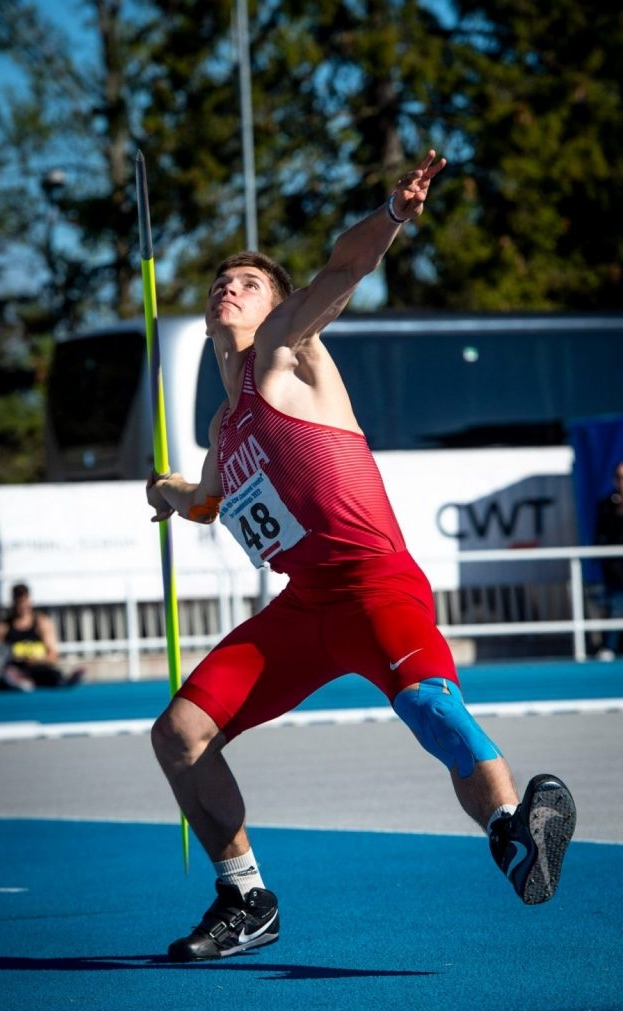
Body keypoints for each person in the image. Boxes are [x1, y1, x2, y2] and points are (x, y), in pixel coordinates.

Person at [146, 150, 576, 963]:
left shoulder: (285, 349)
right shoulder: (220, 427)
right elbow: (207, 499)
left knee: (428, 709)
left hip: (374, 582)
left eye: (247, 283)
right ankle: (245, 895)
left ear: (277, 307)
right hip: (305, 608)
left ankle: (512, 831)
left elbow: (343, 268)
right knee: (179, 734)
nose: (227, 290)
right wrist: (165, 491)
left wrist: (391, 212)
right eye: (219, 285)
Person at [0, 582, 84, 692]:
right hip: (16, 669)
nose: (22, 605)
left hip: (39, 668)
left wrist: (39, 661)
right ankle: (19, 682)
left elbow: (53, 655)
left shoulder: (41, 623)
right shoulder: (4, 626)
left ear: (29, 600)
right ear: (13, 601)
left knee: (54, 677)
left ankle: (63, 680)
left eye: (24, 601)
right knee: (7, 676)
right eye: (18, 601)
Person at [594, 460, 623, 660]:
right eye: (620, 478)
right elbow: (601, 537)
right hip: (616, 571)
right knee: (615, 607)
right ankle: (609, 648)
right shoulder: (607, 506)